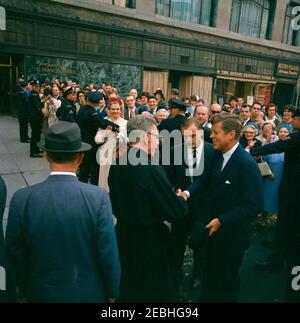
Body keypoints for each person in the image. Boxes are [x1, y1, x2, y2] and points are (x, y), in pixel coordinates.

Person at [5, 122, 120, 303]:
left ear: (46, 155)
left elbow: (15, 253)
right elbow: (107, 253)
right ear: (80, 157)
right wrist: (112, 291)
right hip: (88, 292)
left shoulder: (22, 199)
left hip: (40, 292)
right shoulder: (97, 198)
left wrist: (26, 287)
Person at [178, 113, 264, 302]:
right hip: (213, 233)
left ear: (231, 134)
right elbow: (204, 179)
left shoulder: (245, 164)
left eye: (216, 132)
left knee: (226, 285)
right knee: (211, 281)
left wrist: (222, 220)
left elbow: (254, 205)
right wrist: (187, 193)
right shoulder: (218, 154)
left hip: (231, 238)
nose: (211, 136)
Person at [108, 116, 188, 302]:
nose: (159, 141)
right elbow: (176, 212)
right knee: (151, 291)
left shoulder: (118, 162)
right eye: (156, 135)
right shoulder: (150, 167)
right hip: (148, 242)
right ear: (144, 136)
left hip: (123, 235)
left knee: (129, 287)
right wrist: (180, 198)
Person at [251, 109, 300, 303]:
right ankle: (278, 259)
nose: (292, 121)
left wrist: (256, 150)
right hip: (291, 193)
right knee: (286, 229)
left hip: (294, 195)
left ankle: (290, 283)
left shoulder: (296, 138)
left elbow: (278, 146)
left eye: (295, 119)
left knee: (289, 231)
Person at [163, 118, 214, 295]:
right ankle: (174, 276)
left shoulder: (212, 151)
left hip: (204, 207)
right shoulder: (174, 151)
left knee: (201, 243)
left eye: (192, 136)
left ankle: (198, 274)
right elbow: (166, 179)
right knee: (177, 243)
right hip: (181, 206)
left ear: (201, 133)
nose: (188, 140)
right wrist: (172, 195)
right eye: (184, 137)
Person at [77, 92, 119, 185]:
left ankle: (81, 186)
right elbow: (102, 122)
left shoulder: (82, 109)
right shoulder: (92, 113)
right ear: (97, 103)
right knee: (94, 170)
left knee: (84, 168)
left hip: (82, 142)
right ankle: (93, 189)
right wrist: (117, 126)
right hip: (91, 144)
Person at [95, 100, 128, 191]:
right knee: (105, 180)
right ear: (109, 110)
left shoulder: (125, 123)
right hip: (106, 154)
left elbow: (129, 140)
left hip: (120, 154)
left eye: (117, 109)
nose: (115, 111)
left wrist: (119, 137)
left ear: (121, 110)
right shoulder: (104, 121)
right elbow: (97, 139)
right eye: (113, 109)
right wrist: (106, 132)